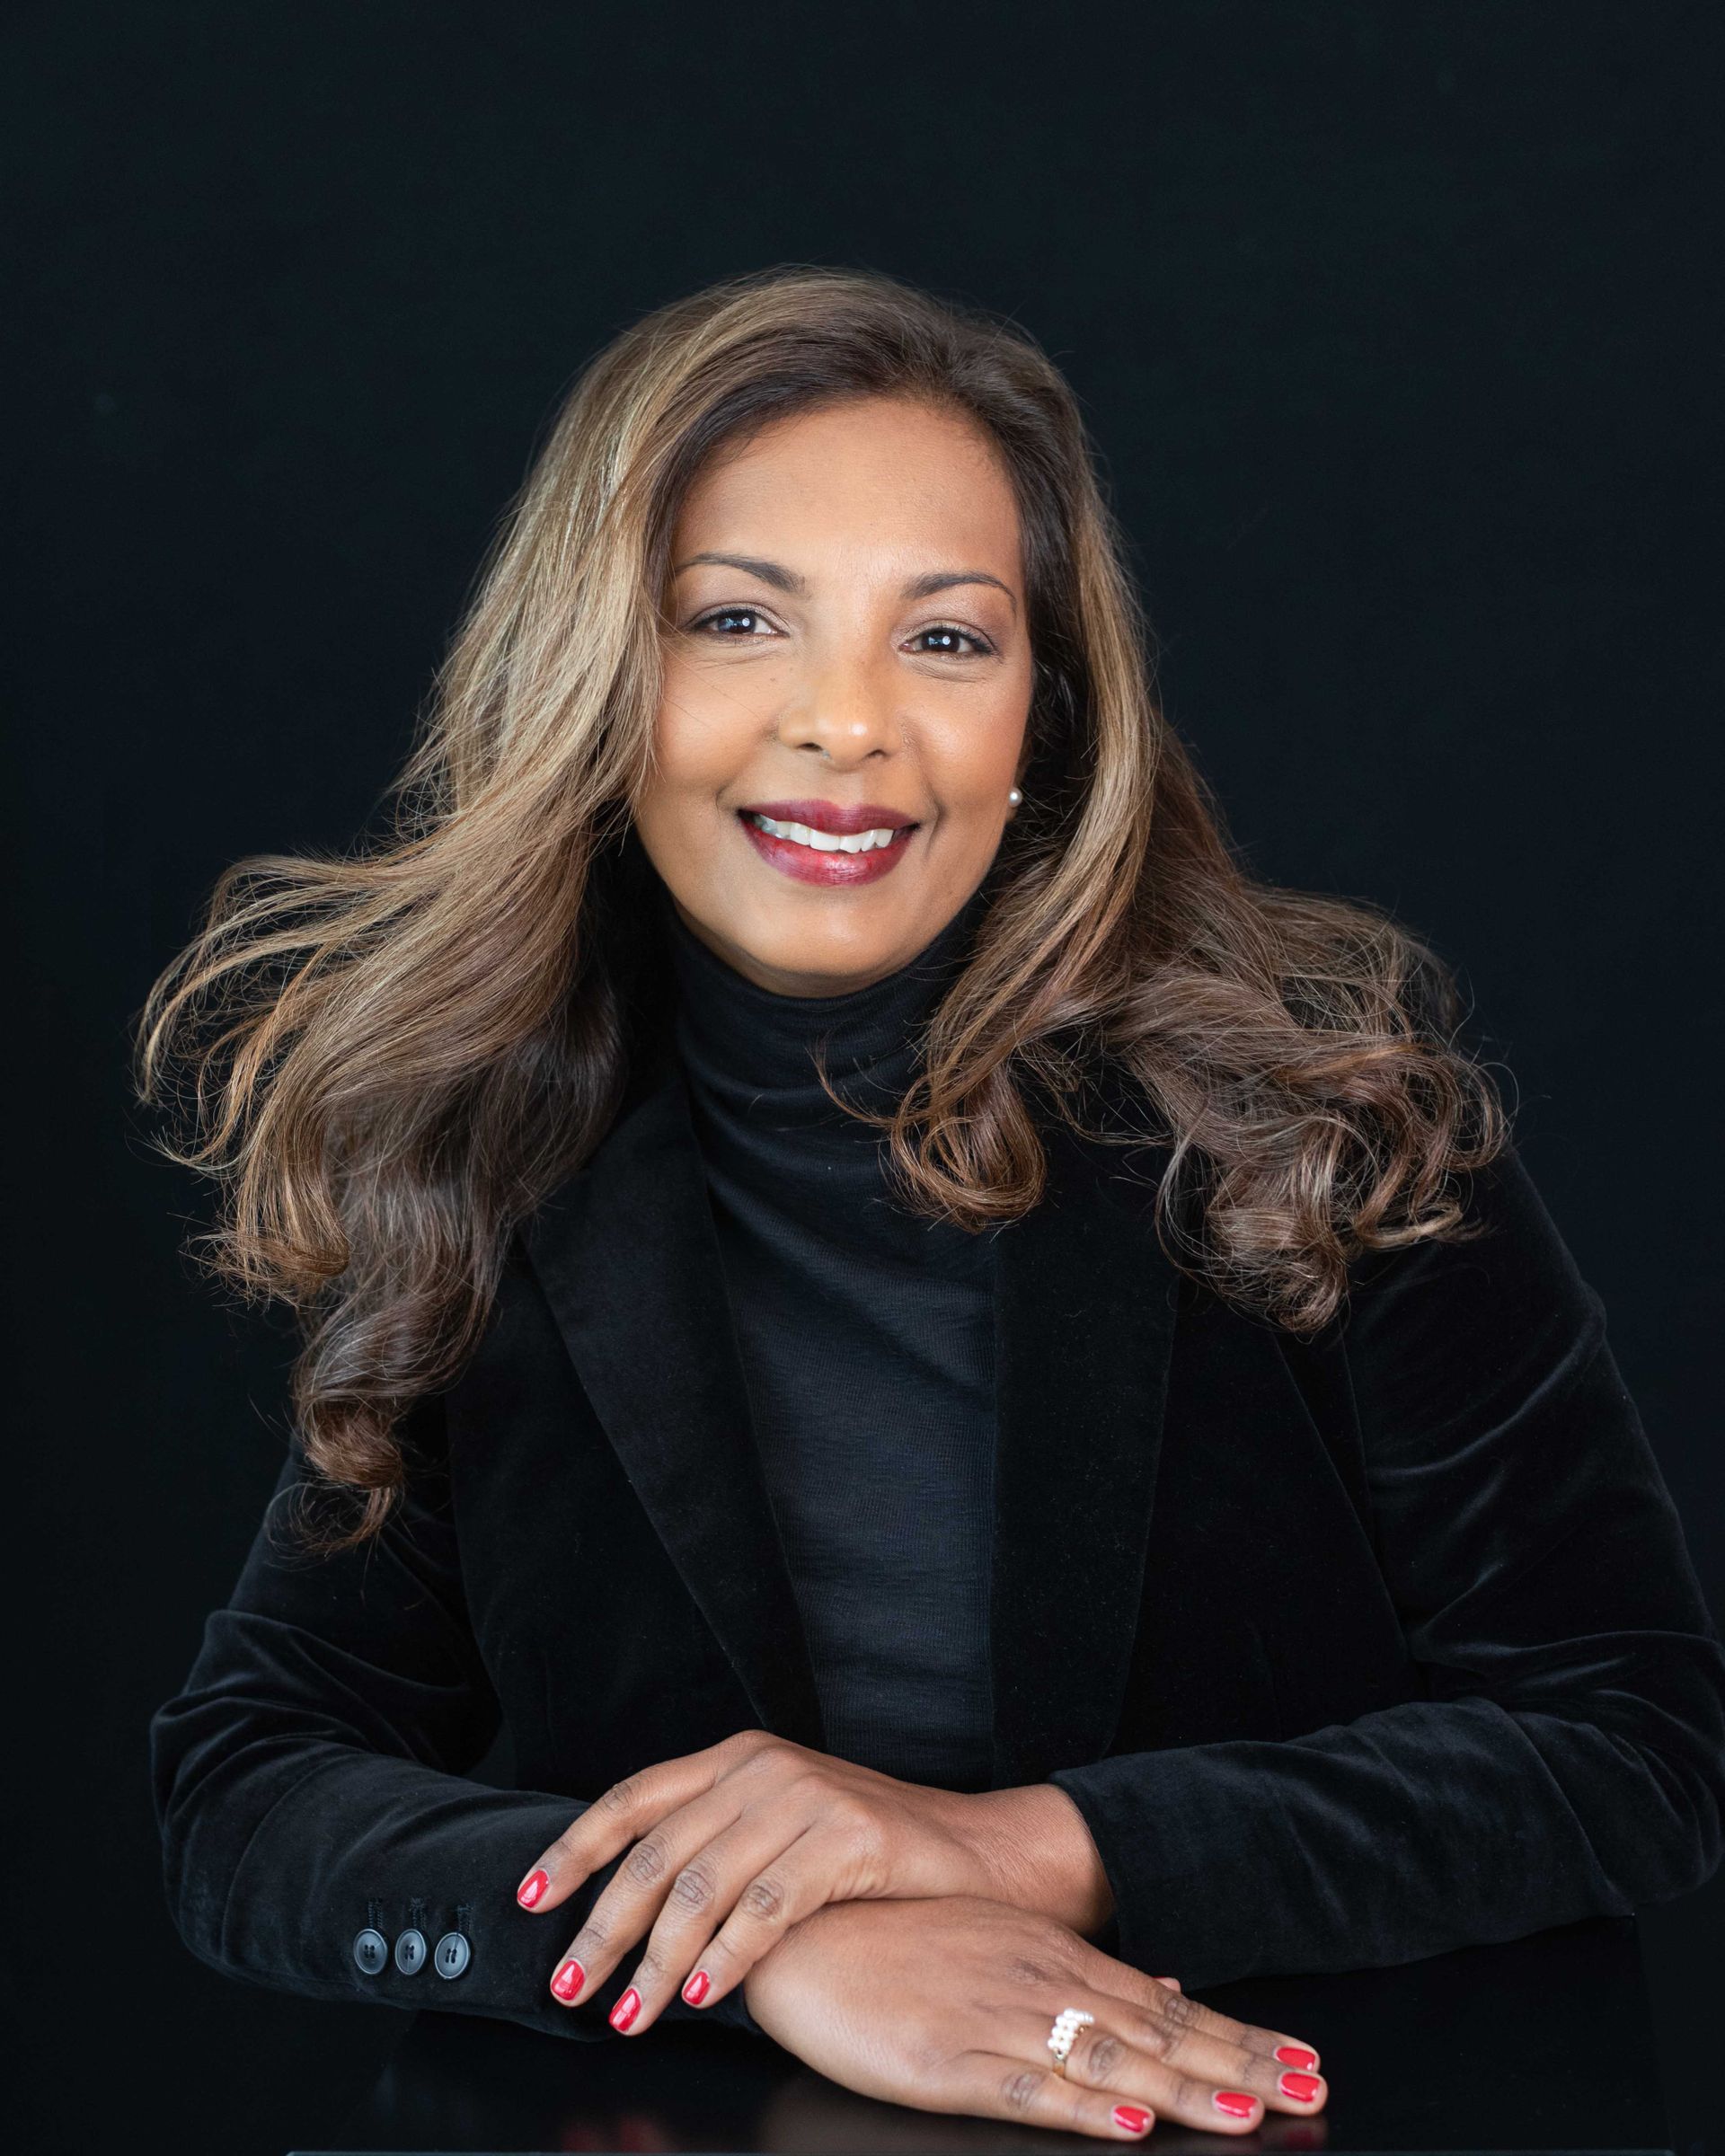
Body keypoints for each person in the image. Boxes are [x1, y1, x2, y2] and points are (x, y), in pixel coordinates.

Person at [137, 265, 1725, 2143]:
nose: (846, 724)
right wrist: (757, 1947)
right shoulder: (492, 1164)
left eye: (948, 641)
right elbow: (251, 1793)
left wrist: (1015, 1853)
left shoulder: (1318, 1115)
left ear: (1046, 714)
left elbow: (1634, 1746)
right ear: (596, 674)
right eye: (738, 620)